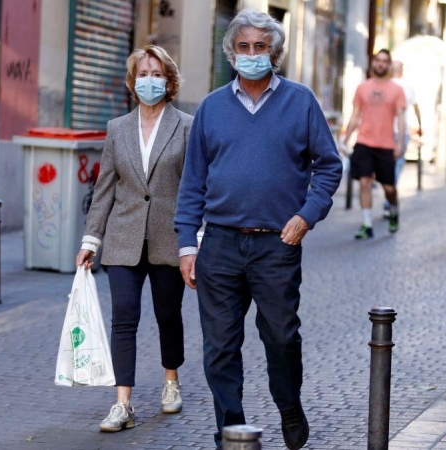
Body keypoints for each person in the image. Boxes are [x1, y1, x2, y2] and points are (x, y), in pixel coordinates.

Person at [173, 9, 342, 450]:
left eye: (260, 47)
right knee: (220, 347)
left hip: (277, 243)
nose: (251, 54)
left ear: (275, 53)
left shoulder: (300, 101)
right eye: (243, 47)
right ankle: (233, 429)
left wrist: (306, 216)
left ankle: (289, 406)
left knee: (282, 337)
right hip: (221, 244)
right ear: (231, 53)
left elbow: (328, 166)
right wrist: (187, 245)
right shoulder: (211, 108)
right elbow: (192, 183)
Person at [75, 45, 193, 433]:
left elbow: (195, 186)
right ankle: (122, 404)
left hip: (168, 238)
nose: (149, 81)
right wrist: (91, 240)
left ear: (169, 80)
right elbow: (104, 188)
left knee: (167, 315)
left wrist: (195, 238)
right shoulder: (117, 128)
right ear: (133, 80)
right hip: (123, 239)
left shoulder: (187, 126)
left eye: (156, 74)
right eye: (142, 74)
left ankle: (171, 381)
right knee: (123, 319)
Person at [340, 49, 406, 239]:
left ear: (389, 64)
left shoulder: (397, 90)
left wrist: (400, 143)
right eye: (378, 60)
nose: (380, 64)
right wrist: (345, 140)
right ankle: (367, 225)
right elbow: (355, 115)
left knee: (389, 188)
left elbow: (401, 118)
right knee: (365, 182)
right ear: (373, 62)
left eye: (385, 61)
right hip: (364, 142)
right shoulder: (363, 88)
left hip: (386, 145)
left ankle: (393, 210)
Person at [382, 60, 422, 218]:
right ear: (402, 71)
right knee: (397, 166)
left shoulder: (385, 85)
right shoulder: (407, 87)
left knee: (388, 166)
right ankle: (388, 200)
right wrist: (420, 126)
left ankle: (388, 199)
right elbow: (416, 108)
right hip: (401, 131)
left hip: (385, 132)